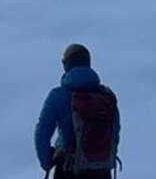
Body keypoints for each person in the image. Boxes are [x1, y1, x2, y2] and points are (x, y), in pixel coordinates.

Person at [34, 44, 120, 179]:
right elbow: (115, 132)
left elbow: (42, 134)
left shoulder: (58, 96)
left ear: (66, 65)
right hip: (101, 171)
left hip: (68, 169)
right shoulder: (107, 96)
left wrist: (47, 161)